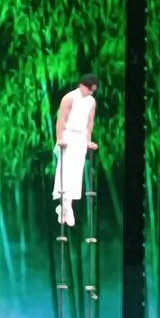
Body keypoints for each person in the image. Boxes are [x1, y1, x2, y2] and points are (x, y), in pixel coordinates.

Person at [53, 74, 98, 227]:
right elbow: (61, 119)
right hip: (68, 135)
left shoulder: (91, 101)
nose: (91, 93)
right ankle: (65, 206)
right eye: (90, 89)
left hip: (80, 138)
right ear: (82, 85)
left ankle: (65, 207)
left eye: (93, 91)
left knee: (76, 172)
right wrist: (59, 138)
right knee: (65, 170)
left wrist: (88, 140)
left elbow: (90, 122)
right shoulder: (69, 98)